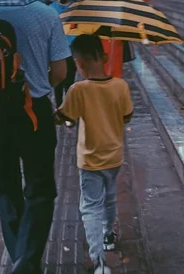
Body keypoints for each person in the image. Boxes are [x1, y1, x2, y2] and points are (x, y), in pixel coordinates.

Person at [0, 2, 69, 274]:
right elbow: (60, 72)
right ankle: (28, 260)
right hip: (34, 112)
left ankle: (19, 259)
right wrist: (39, 83)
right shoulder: (47, 15)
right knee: (40, 188)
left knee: (6, 188)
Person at [54, 34, 133, 274]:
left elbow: (64, 117)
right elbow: (127, 116)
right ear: (105, 56)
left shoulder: (79, 89)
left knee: (90, 206)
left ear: (79, 64)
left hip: (89, 160)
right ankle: (109, 234)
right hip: (114, 156)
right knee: (109, 198)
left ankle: (98, 259)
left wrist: (55, 116)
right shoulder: (120, 85)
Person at [48, 0, 77, 106]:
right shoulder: (77, 8)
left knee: (58, 81)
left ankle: (59, 107)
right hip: (71, 49)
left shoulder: (50, 9)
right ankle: (67, 110)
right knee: (69, 82)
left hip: (57, 50)